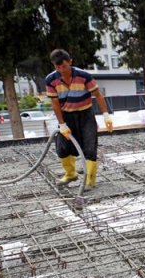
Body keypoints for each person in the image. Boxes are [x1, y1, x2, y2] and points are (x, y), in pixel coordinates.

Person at [46, 48, 113, 189]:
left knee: (89, 147)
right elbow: (55, 103)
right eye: (58, 67)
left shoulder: (83, 76)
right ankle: (71, 174)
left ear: (70, 62)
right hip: (66, 116)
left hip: (85, 115)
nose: (62, 70)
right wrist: (62, 124)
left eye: (64, 66)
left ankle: (90, 179)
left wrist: (106, 115)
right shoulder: (51, 80)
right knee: (62, 148)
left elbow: (98, 95)